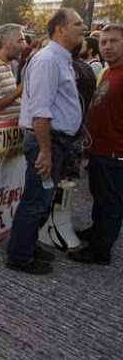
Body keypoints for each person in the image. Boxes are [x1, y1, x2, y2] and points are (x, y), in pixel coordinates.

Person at [6, 8, 86, 275]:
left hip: (55, 142)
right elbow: (41, 111)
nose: (84, 27)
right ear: (59, 29)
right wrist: (45, 152)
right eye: (78, 23)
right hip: (47, 142)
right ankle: (19, 255)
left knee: (42, 200)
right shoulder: (49, 60)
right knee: (35, 201)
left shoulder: (60, 59)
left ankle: (26, 245)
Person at [69, 24, 123, 265]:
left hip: (115, 152)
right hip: (100, 149)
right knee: (99, 196)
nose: (107, 47)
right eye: (103, 42)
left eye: (114, 41)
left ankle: (101, 250)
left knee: (110, 201)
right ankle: (97, 231)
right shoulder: (110, 71)